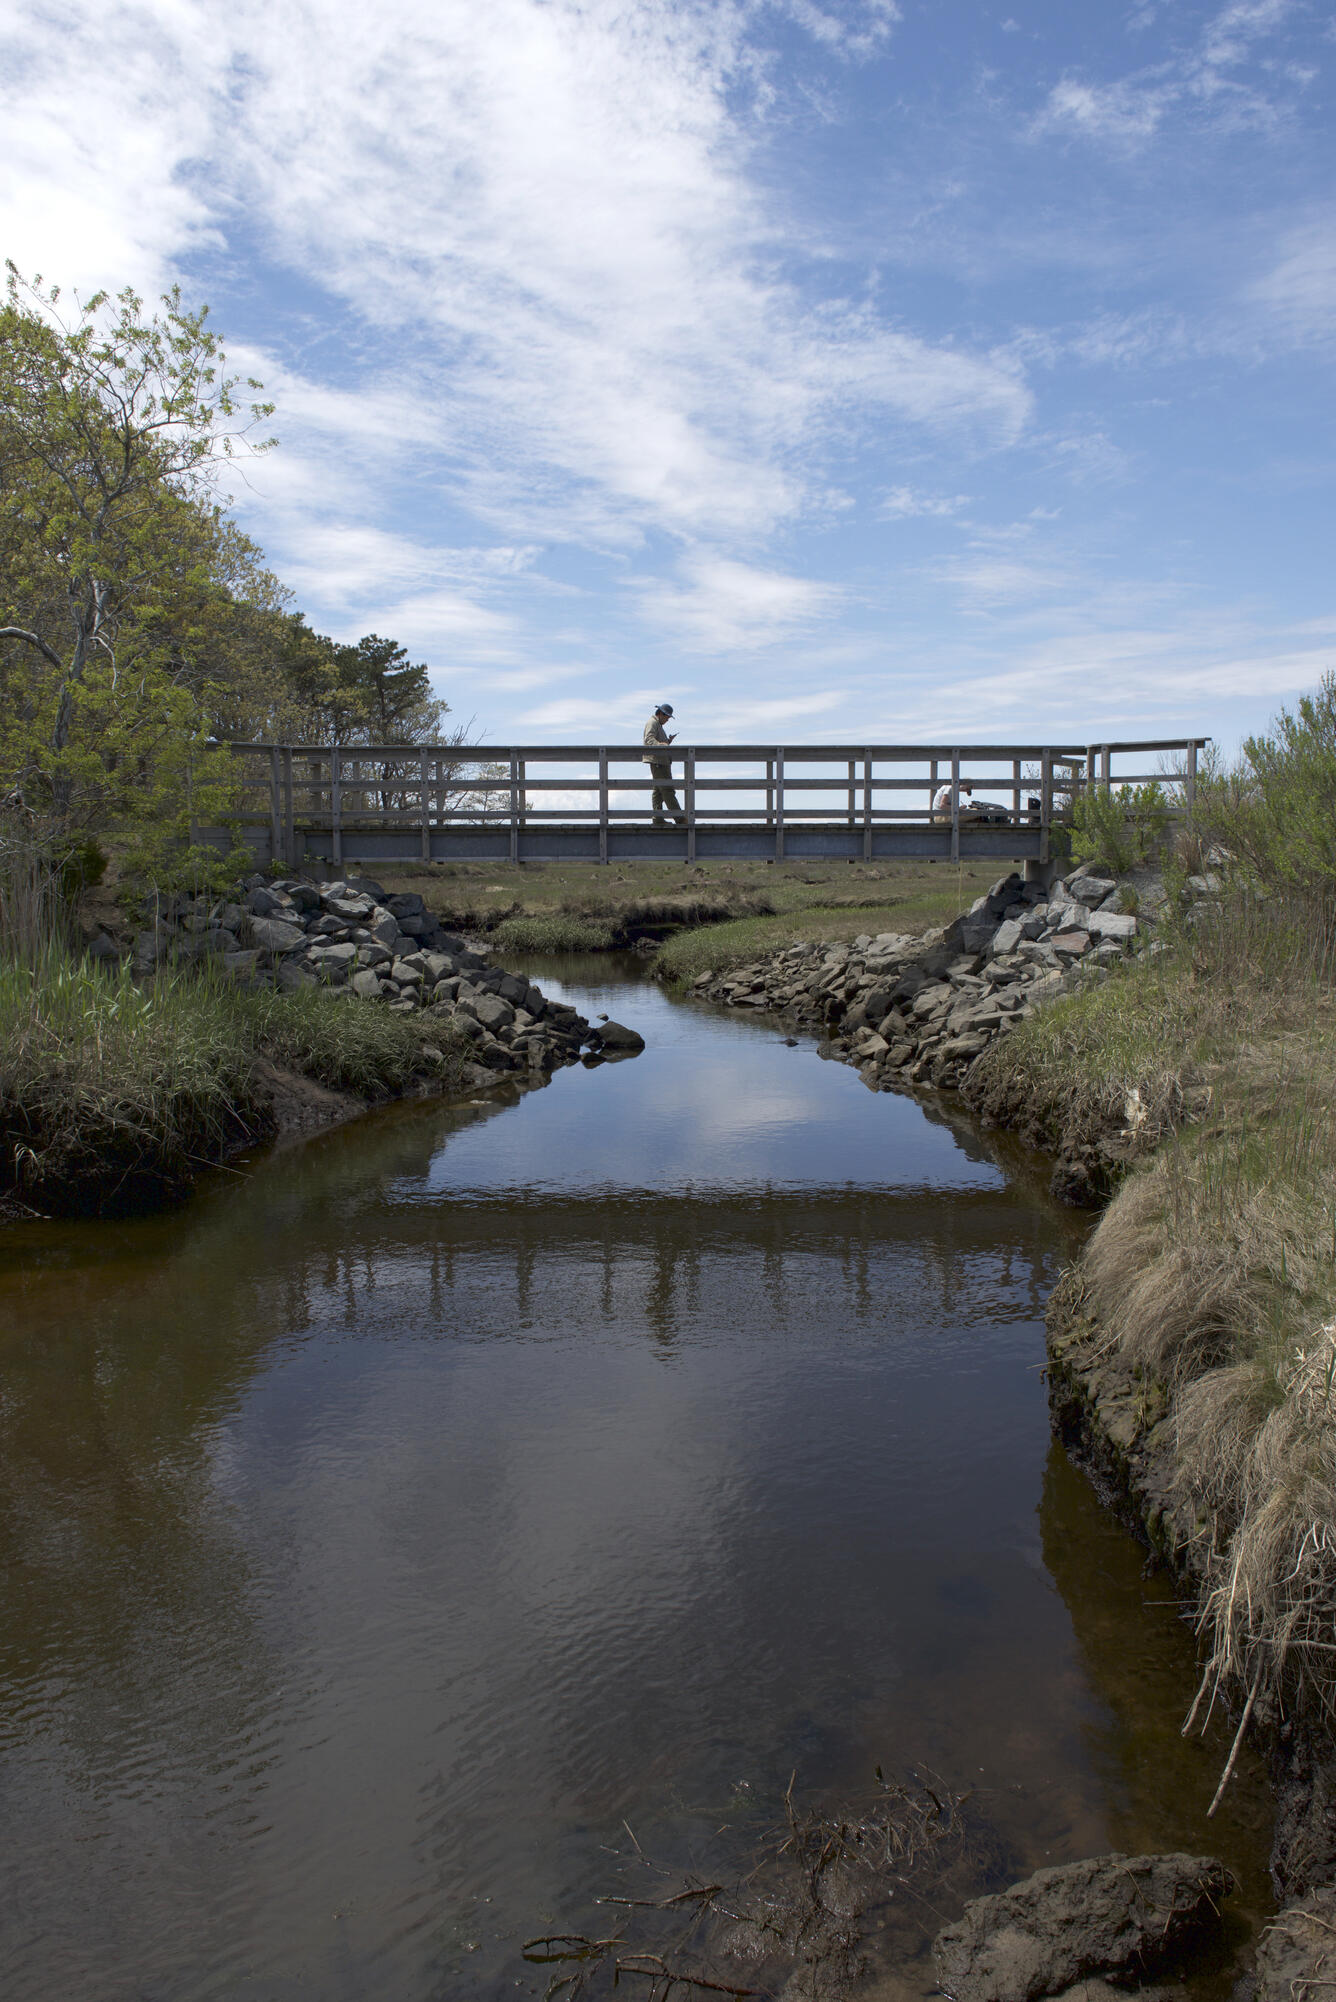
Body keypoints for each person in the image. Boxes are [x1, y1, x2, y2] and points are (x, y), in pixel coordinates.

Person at [643, 702, 686, 826]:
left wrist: (667, 741)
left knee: (658, 791)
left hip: (660, 761)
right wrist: (663, 745)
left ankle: (658, 819)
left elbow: (655, 741)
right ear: (661, 714)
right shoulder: (652, 723)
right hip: (658, 762)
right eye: (667, 717)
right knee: (667, 790)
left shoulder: (657, 724)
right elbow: (649, 740)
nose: (667, 720)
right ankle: (680, 819)